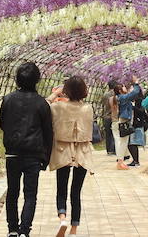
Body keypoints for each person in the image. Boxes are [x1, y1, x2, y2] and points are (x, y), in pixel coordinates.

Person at [0, 62, 53, 237]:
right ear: (37, 80)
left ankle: (12, 230)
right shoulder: (41, 103)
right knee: (30, 194)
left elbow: (2, 124)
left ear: (17, 79)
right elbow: (48, 132)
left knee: (12, 192)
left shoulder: (7, 99)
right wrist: (46, 157)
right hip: (33, 155)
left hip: (13, 153)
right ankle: (24, 231)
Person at [46, 76, 94, 237]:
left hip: (62, 150)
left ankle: (62, 219)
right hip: (82, 152)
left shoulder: (58, 107)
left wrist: (56, 94)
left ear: (66, 90)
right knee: (76, 192)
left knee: (61, 189)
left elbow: (43, 106)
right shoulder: (88, 108)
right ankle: (74, 230)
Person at [110, 76, 142, 170]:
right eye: (123, 87)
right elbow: (135, 93)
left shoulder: (120, 97)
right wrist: (135, 83)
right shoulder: (123, 98)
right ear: (120, 90)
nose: (125, 88)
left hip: (123, 121)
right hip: (123, 121)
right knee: (122, 142)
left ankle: (120, 162)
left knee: (122, 142)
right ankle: (120, 162)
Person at [127, 90, 148, 167]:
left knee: (132, 143)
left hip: (137, 124)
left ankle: (136, 161)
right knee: (131, 143)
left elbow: (141, 111)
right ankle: (135, 160)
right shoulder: (138, 100)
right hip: (136, 124)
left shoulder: (139, 101)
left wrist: (132, 107)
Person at [102, 79, 117, 155]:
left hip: (106, 116)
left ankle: (109, 150)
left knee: (108, 134)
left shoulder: (105, 95)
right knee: (115, 133)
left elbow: (103, 104)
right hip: (114, 116)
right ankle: (114, 149)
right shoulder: (116, 94)